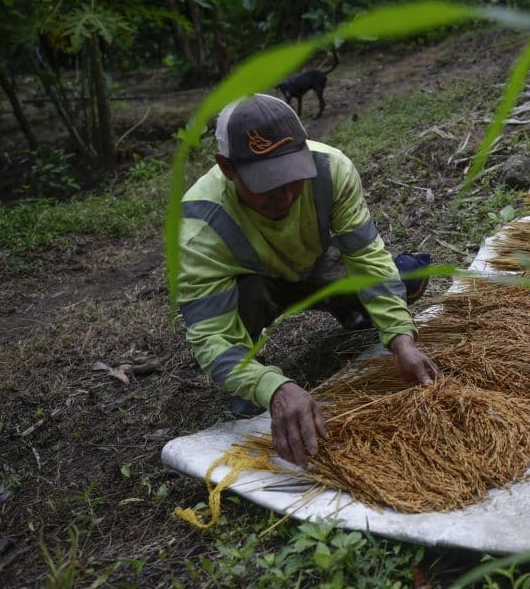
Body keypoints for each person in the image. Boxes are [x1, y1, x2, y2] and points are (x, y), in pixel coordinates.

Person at [177, 93, 441, 468]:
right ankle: (252, 377)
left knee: (405, 280)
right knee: (240, 322)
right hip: (257, 286)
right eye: (266, 185)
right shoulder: (200, 225)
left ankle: (354, 312)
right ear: (227, 168)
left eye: (292, 178)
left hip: (317, 265)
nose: (284, 196)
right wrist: (274, 388)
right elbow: (210, 336)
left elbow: (366, 257)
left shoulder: (331, 169)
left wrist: (400, 336)